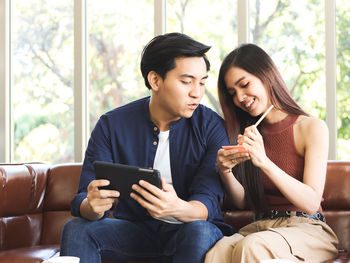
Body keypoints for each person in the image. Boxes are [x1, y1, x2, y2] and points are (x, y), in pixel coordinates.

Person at [60, 32, 234, 263]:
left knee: (199, 230)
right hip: (135, 232)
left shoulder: (211, 126)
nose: (197, 92)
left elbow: (207, 202)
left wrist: (176, 207)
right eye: (186, 81)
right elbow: (82, 197)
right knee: (77, 228)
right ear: (155, 80)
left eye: (202, 82)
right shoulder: (112, 125)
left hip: (190, 231)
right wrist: (92, 205)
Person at [204, 43, 339, 263]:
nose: (240, 98)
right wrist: (225, 170)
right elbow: (242, 202)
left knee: (252, 247)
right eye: (233, 93)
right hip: (262, 227)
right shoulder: (248, 134)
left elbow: (311, 202)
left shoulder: (311, 128)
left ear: (266, 75)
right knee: (216, 253)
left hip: (307, 228)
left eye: (244, 84)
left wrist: (264, 161)